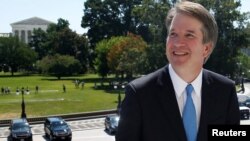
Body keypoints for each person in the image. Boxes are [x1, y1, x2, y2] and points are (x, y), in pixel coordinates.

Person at [115, 1, 240, 141]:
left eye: (189, 35)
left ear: (206, 48)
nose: (177, 43)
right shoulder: (139, 94)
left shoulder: (225, 91)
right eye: (173, 34)